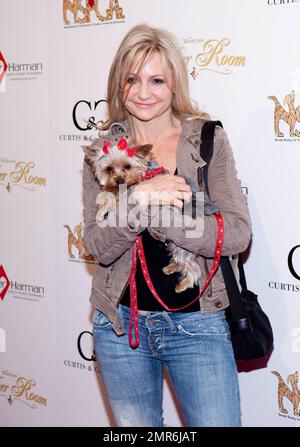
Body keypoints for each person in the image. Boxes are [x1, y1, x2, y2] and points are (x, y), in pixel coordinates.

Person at [82, 23, 252, 427]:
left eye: (156, 79)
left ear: (174, 82)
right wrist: (142, 196)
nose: (143, 93)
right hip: (120, 328)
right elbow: (99, 246)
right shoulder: (102, 152)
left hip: (199, 322)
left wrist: (155, 211)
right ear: (117, 83)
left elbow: (236, 233)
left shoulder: (207, 140)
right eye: (132, 79)